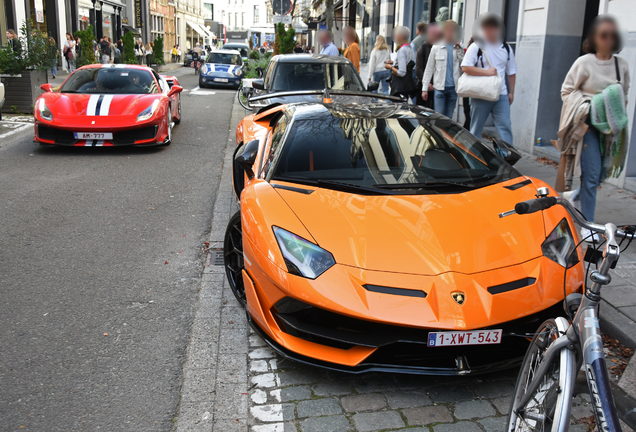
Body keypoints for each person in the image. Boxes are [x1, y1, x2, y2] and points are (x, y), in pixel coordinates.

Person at [557, 15, 630, 238]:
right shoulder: (584, 63)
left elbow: (623, 95)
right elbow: (566, 91)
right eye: (603, 35)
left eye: (612, 35)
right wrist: (591, 105)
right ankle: (589, 227)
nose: (608, 39)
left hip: (612, 132)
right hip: (587, 126)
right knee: (590, 177)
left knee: (600, 176)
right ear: (594, 38)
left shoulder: (621, 65)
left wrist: (611, 109)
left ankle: (574, 196)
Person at [461, 13, 517, 145]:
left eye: (492, 28)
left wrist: (511, 92)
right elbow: (465, 67)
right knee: (476, 128)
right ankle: (474, 158)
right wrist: (487, 72)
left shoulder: (506, 48)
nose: (489, 31)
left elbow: (511, 72)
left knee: (505, 127)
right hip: (481, 93)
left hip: (501, 94)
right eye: (486, 28)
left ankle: (507, 159)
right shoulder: (476, 46)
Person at [421, 20, 463, 118]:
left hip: (454, 87)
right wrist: (424, 88)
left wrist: (459, 50)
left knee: (449, 117)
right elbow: (429, 68)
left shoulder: (459, 47)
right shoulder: (436, 47)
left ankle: (445, 134)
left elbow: (464, 65)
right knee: (439, 117)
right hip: (440, 88)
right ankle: (439, 133)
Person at [385, 26, 416, 100]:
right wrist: (393, 62)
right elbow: (407, 62)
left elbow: (401, 72)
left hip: (400, 87)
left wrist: (390, 67)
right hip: (407, 85)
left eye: (396, 35)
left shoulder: (402, 50)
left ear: (401, 36)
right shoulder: (410, 48)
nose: (395, 37)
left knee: (398, 107)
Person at [416, 24, 440, 108]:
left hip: (436, 85)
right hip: (424, 84)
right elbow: (419, 68)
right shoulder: (422, 49)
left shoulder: (440, 48)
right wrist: (426, 83)